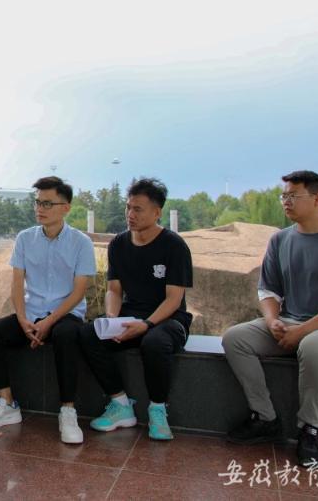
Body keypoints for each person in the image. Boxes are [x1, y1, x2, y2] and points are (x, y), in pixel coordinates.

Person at [222, 170, 318, 467]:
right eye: (284, 196)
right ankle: (265, 418)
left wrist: (301, 332)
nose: (286, 201)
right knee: (235, 338)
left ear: (317, 199)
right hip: (290, 322)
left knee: (314, 346)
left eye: (293, 195)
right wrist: (273, 321)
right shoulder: (280, 240)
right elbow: (268, 290)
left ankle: (311, 430)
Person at [0, 176, 96, 444]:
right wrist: (22, 319)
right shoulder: (24, 238)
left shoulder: (81, 242)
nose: (40, 208)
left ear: (66, 207)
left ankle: (68, 411)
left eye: (47, 203)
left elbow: (78, 292)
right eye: (37, 202)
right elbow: (17, 284)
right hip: (31, 313)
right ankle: (7, 404)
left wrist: (49, 321)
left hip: (65, 315)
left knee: (66, 335)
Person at [78, 178, 193, 441]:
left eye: (138, 209)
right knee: (88, 333)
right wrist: (112, 319)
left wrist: (147, 325)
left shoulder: (174, 246)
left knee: (154, 342)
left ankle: (158, 410)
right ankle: (120, 404)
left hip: (168, 319)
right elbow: (114, 290)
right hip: (131, 314)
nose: (131, 214)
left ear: (157, 212)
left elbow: (174, 299)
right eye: (128, 207)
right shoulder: (119, 244)